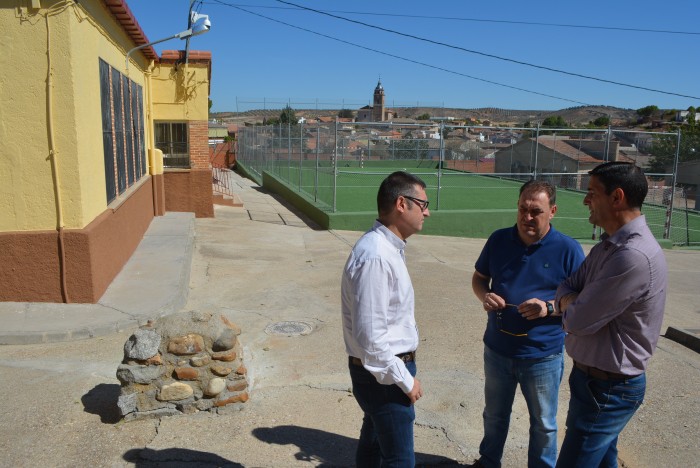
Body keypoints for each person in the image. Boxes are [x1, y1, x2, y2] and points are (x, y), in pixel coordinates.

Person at [555, 162, 667, 468]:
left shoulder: (632, 256)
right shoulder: (609, 246)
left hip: (607, 390)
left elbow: (577, 320)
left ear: (616, 198)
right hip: (594, 383)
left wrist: (571, 303)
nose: (585, 200)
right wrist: (574, 300)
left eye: (592, 193)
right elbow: (568, 286)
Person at [471, 180, 585, 468]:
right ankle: (488, 461)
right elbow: (479, 278)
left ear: (553, 211)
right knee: (494, 415)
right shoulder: (499, 240)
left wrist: (548, 308)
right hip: (497, 350)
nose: (527, 217)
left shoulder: (568, 250)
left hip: (542, 355)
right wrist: (485, 296)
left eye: (536, 211)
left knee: (544, 424)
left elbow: (583, 301)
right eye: (523, 209)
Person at [341, 170, 430, 467]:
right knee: (399, 460)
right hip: (385, 376)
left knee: (374, 443)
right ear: (402, 203)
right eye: (423, 204)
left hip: (381, 373)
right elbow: (371, 338)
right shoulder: (377, 256)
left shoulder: (386, 248)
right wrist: (405, 380)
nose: (427, 213)